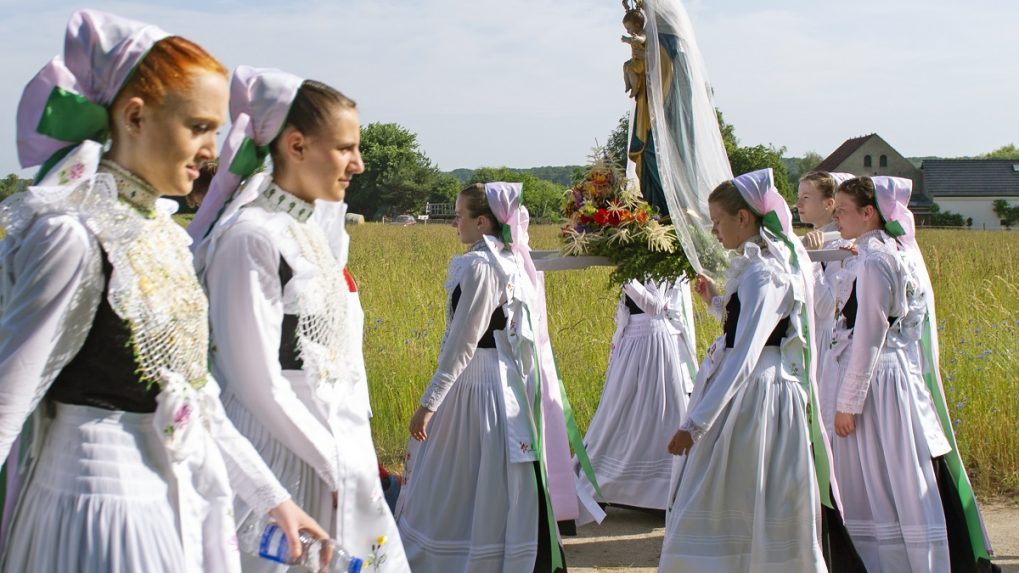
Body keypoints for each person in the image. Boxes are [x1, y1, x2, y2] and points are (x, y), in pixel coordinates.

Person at [0, 11, 324, 573]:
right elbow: (8, 399)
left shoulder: (165, 239)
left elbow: (199, 399)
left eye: (216, 132)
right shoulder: (75, 235)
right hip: (93, 509)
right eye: (198, 127)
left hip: (163, 496)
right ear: (134, 116)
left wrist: (274, 500)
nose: (212, 151)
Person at [191, 66, 410, 572]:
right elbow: (255, 384)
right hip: (282, 458)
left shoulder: (304, 229)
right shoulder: (250, 237)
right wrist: (330, 463)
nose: (358, 163)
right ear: (295, 146)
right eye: (344, 148)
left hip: (335, 455)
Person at [828, 176, 1000, 573]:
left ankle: (904, 561)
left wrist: (848, 404)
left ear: (869, 213)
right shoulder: (879, 253)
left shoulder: (876, 261)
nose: (835, 216)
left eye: (842, 210)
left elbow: (871, 336)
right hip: (887, 378)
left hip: (880, 384)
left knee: (891, 475)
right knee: (888, 474)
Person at [659, 168, 826, 572]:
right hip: (754, 385)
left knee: (728, 489)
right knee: (741, 492)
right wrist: (716, 302)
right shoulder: (760, 266)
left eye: (717, 221)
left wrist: (695, 424)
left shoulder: (765, 272)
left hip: (756, 393)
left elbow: (747, 351)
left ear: (744, 218)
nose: (714, 231)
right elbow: (751, 326)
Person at [397, 183, 566, 572]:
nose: (454, 221)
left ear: (482, 221)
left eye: (459, 215)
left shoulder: (481, 266)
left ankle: (459, 558)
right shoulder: (509, 260)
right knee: (485, 477)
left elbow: (463, 342)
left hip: (478, 383)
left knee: (455, 477)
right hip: (501, 381)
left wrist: (429, 403)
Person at [578, 277, 695, 512]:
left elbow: (655, 305)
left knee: (654, 413)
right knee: (619, 412)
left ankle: (662, 490)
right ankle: (609, 483)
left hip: (652, 342)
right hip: (634, 337)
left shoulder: (658, 256)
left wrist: (626, 277)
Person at [797, 170, 855, 433]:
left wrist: (810, 261)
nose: (798, 204)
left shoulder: (841, 246)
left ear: (829, 204)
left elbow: (827, 307)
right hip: (807, 336)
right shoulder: (813, 240)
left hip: (825, 341)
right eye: (798, 197)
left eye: (806, 197)